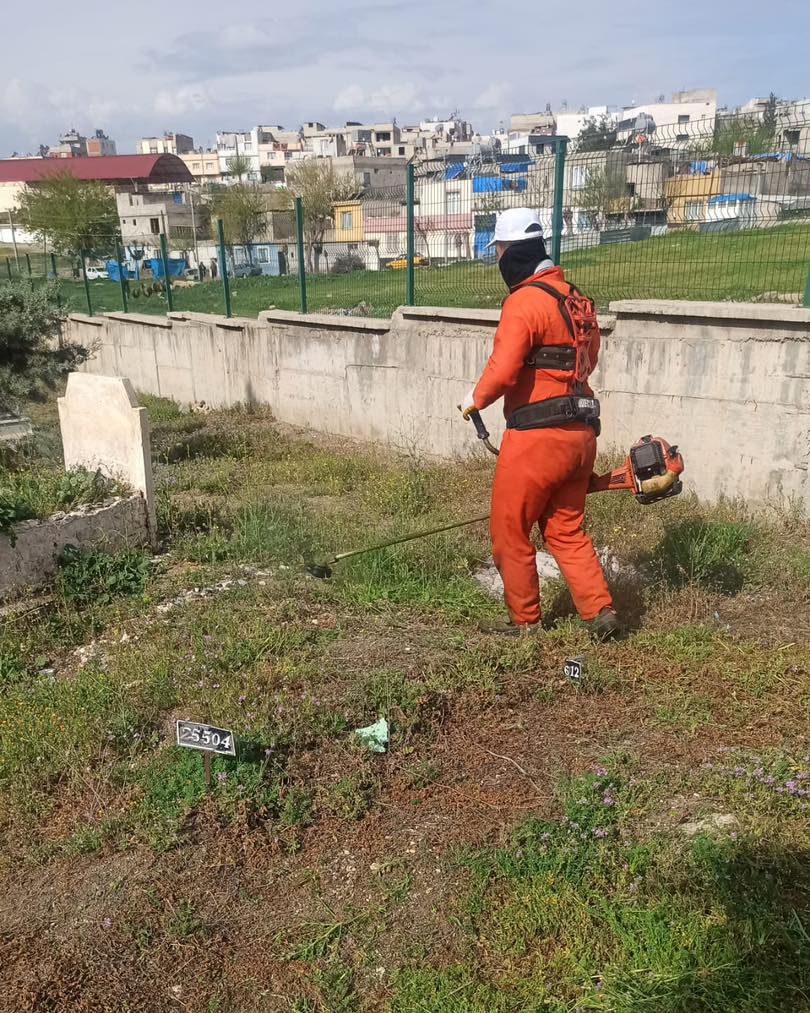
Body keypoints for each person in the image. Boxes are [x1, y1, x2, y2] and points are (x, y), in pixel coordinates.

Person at [461, 207, 619, 639]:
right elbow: (588, 360)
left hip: (537, 440)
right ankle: (600, 611)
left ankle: (525, 622)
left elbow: (505, 366)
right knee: (565, 528)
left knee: (509, 529)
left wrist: (474, 400)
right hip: (582, 436)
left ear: (510, 251)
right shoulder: (576, 298)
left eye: (499, 252)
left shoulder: (524, 302)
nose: (497, 262)